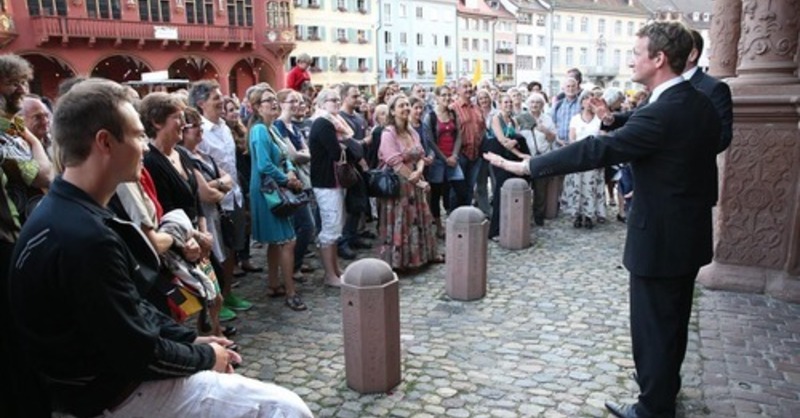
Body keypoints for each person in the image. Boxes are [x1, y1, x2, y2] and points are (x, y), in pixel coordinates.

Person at [8, 78, 313, 418]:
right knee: (285, 408)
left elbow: (130, 310)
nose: (144, 147)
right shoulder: (83, 235)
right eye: (138, 135)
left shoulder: (70, 214)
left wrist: (190, 341)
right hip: (111, 395)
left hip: (107, 385)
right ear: (105, 142)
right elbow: (136, 351)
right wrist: (207, 357)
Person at [485, 21, 720, 418]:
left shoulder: (662, 112)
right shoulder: (701, 102)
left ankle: (652, 407)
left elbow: (596, 150)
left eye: (636, 53)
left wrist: (529, 166)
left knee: (653, 327)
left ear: (659, 59)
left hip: (659, 239)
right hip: (689, 233)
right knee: (673, 322)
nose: (630, 60)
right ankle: (663, 390)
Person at [189, 81, 254, 315]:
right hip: (214, 201)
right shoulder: (200, 131)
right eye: (216, 98)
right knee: (217, 252)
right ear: (201, 103)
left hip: (232, 195)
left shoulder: (224, 127)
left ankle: (228, 293)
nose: (221, 101)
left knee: (232, 247)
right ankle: (216, 300)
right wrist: (221, 184)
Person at [248, 84, 307, 311]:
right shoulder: (259, 130)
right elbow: (264, 165)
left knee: (277, 241)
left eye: (274, 99)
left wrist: (290, 171)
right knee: (288, 240)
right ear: (257, 107)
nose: (274, 103)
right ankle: (291, 292)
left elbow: (285, 156)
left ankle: (273, 284)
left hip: (276, 187)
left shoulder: (271, 128)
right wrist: (287, 179)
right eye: (267, 100)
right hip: (268, 192)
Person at [377, 94, 442, 270]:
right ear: (392, 111)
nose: (406, 108)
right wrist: (417, 181)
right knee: (402, 219)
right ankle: (401, 260)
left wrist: (419, 172)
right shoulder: (388, 133)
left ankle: (422, 256)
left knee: (418, 218)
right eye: (401, 106)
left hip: (414, 180)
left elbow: (421, 155)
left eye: (407, 105)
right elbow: (395, 162)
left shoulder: (411, 131)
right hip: (398, 185)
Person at [308, 88, 348, 286]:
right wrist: (344, 147)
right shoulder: (323, 123)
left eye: (338, 99)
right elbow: (336, 152)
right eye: (333, 100)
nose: (337, 103)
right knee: (330, 227)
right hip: (326, 182)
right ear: (322, 103)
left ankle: (335, 268)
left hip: (331, 181)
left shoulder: (330, 122)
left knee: (335, 225)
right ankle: (330, 274)